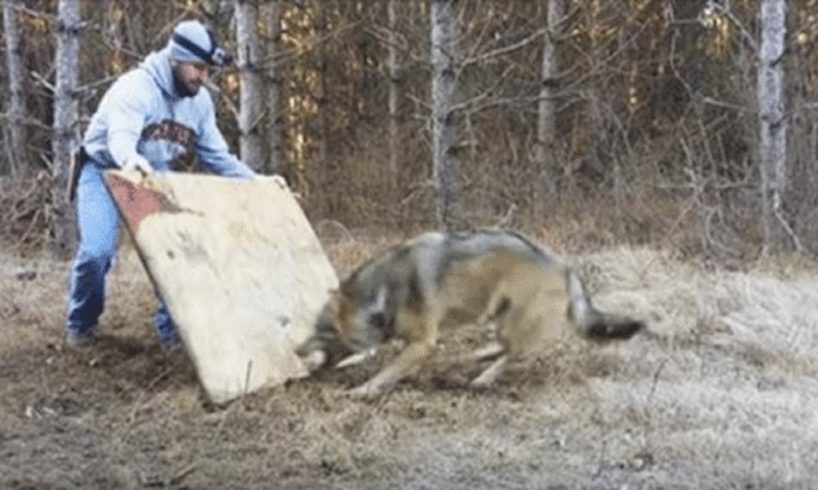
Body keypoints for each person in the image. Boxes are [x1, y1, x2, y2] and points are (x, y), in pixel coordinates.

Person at [65, 20, 255, 348]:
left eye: (208, 69)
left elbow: (217, 156)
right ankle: (81, 325)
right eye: (197, 68)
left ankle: (172, 331)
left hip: (152, 173)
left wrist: (258, 183)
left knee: (177, 251)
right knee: (96, 253)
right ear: (175, 60)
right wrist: (129, 159)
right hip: (105, 169)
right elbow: (120, 138)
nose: (203, 77)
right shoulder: (136, 88)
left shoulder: (200, 102)